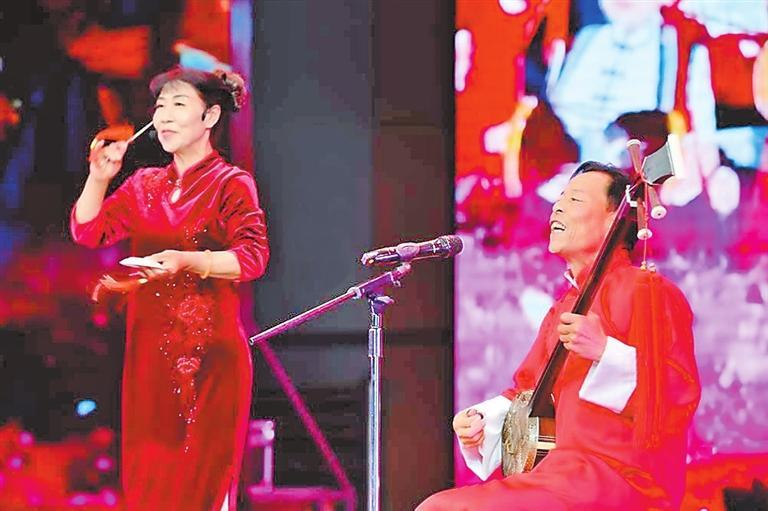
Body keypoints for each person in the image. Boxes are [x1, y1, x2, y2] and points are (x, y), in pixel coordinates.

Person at [418, 162, 701, 510]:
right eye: (560, 198)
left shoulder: (646, 290)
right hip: (562, 474)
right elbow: (528, 392)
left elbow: (677, 393)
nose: (558, 207)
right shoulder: (564, 307)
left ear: (614, 220)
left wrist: (605, 352)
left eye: (575, 200)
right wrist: (481, 423)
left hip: (623, 478)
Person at [70, 67, 269, 511]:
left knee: (200, 491)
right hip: (148, 363)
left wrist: (188, 261)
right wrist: (99, 177)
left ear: (210, 116)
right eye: (160, 107)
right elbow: (89, 231)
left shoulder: (230, 183)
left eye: (179, 105)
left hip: (209, 363)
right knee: (148, 491)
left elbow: (253, 258)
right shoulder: (145, 185)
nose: (164, 116)